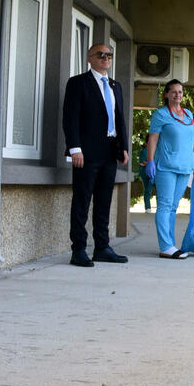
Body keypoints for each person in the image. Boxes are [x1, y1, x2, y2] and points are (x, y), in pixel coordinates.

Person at [62, 43, 130, 267]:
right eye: (100, 55)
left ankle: (102, 247)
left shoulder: (115, 85)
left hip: (110, 151)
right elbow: (70, 117)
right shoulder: (78, 83)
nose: (105, 58)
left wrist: (123, 147)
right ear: (89, 58)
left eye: (109, 55)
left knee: (104, 201)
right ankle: (78, 249)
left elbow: (119, 117)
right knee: (82, 200)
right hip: (86, 152)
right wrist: (75, 148)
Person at [143, 79, 194, 259]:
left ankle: (170, 244)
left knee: (173, 207)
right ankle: (166, 245)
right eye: (174, 91)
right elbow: (153, 139)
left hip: (185, 166)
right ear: (167, 94)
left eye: (181, 92)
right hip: (166, 166)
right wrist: (150, 160)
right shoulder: (160, 115)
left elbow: (192, 139)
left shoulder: (188, 114)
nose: (178, 95)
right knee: (165, 205)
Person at [137, 145, 154, 213]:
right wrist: (151, 164)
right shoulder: (144, 151)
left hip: (155, 173)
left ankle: (160, 207)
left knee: (159, 190)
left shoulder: (156, 150)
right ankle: (148, 208)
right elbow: (142, 162)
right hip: (145, 173)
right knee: (147, 190)